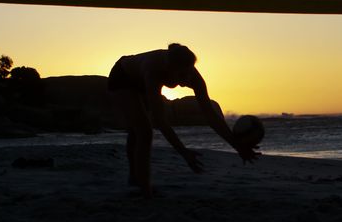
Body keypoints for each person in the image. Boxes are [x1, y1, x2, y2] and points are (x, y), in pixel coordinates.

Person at [107, 44, 260, 197]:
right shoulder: (153, 71)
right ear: (169, 68)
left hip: (140, 79)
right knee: (144, 131)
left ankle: (135, 177)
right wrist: (184, 152)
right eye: (180, 76)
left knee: (137, 130)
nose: (184, 81)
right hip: (123, 77)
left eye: (188, 74)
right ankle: (144, 188)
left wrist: (238, 147)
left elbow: (211, 116)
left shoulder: (192, 76)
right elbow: (160, 122)